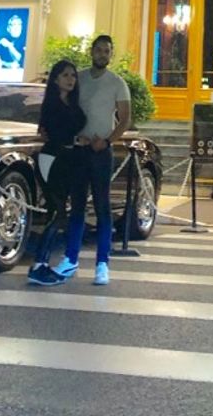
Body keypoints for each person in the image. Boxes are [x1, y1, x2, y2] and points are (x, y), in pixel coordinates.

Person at [51, 35, 131, 287]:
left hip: (100, 152)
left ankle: (102, 264)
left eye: (107, 51)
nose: (102, 54)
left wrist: (107, 141)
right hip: (77, 151)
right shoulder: (79, 79)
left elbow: (125, 119)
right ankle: (70, 258)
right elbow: (63, 105)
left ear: (111, 54)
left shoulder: (118, 83)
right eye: (98, 50)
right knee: (76, 207)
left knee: (102, 207)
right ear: (92, 52)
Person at [28, 60, 86, 286]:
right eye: (65, 75)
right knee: (57, 211)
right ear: (55, 79)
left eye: (73, 75)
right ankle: (38, 264)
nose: (71, 79)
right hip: (51, 158)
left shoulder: (72, 103)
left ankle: (42, 263)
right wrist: (75, 139)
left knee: (60, 211)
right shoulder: (52, 104)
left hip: (66, 161)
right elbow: (53, 132)